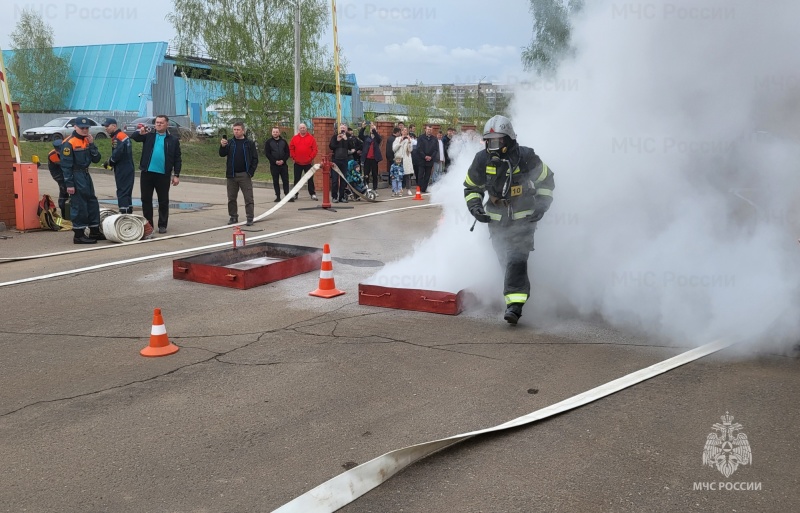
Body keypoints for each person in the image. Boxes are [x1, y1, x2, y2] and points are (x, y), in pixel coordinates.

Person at [463, 115, 555, 325]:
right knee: (505, 260)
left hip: (523, 219)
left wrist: (542, 205)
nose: (491, 146)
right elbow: (471, 187)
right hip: (496, 220)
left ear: (508, 140)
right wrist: (475, 207)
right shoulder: (481, 160)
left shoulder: (526, 157)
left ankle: (514, 305)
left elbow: (546, 181)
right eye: (488, 141)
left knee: (516, 258)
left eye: (496, 142)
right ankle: (517, 290)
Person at [131, 114, 182, 234]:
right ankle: (149, 225)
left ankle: (162, 225)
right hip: (147, 173)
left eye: (161, 122)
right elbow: (135, 137)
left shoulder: (173, 140)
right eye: (157, 122)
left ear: (167, 124)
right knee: (146, 199)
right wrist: (140, 132)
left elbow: (177, 158)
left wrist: (176, 175)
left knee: (163, 200)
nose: (158, 124)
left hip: (163, 174)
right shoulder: (149, 136)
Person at [60, 117, 103, 244]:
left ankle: (94, 230)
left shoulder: (87, 140)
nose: (85, 130)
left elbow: (96, 159)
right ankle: (79, 235)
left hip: (85, 174)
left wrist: (92, 144)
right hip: (75, 175)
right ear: (75, 127)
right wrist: (69, 184)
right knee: (79, 205)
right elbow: (66, 166)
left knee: (92, 202)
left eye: (87, 128)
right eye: (82, 128)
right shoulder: (69, 143)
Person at [220, 121, 258, 225]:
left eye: (238, 130)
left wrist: (250, 172)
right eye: (234, 130)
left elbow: (255, 159)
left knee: (248, 198)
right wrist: (222, 146)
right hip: (231, 175)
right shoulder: (230, 142)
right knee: (231, 198)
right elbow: (222, 154)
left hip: (244, 175)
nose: (236, 132)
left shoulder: (249, 143)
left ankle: (250, 218)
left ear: (243, 131)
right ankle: (233, 217)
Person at [101, 118, 135, 214]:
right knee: (127, 192)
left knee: (122, 191)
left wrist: (110, 162)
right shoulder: (123, 136)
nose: (106, 129)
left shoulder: (118, 137)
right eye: (105, 126)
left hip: (123, 167)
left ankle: (124, 214)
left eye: (107, 126)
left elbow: (117, 153)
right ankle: (128, 212)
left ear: (114, 126)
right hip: (128, 166)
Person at [289, 123, 318, 200]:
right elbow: (291, 148)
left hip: (308, 163)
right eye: (301, 128)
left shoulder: (311, 138)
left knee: (310, 179)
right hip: (297, 163)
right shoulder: (294, 138)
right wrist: (294, 157)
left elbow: (315, 150)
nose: (302, 129)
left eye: (304, 128)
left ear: (306, 128)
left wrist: (310, 158)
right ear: (299, 129)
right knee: (296, 179)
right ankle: (295, 194)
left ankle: (312, 194)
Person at [264, 127, 292, 202]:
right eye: (274, 132)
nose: (275, 133)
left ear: (279, 133)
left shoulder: (284, 142)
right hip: (274, 165)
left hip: (283, 165)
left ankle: (287, 195)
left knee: (285, 180)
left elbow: (287, 153)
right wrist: (275, 161)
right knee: (275, 181)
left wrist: (283, 160)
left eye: (276, 132)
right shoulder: (268, 142)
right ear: (272, 133)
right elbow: (267, 154)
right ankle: (278, 196)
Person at [329, 123, 353, 203]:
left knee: (343, 179)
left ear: (346, 129)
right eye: (341, 128)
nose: (343, 129)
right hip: (336, 160)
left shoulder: (348, 138)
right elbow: (331, 146)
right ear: (339, 129)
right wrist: (337, 140)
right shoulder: (334, 137)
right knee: (335, 180)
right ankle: (334, 196)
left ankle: (341, 197)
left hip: (344, 161)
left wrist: (346, 139)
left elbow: (352, 147)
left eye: (344, 128)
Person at [47, 137, 69, 218]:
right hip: (58, 175)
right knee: (64, 190)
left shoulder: (67, 150)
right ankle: (64, 211)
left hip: (67, 172)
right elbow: (64, 166)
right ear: (56, 151)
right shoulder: (52, 156)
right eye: (60, 152)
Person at [359, 121, 383, 192]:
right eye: (371, 129)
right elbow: (360, 135)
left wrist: (374, 130)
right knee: (366, 174)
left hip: (374, 159)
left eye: (373, 129)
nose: (372, 129)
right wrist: (363, 127)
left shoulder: (377, 138)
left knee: (374, 174)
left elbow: (379, 139)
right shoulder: (366, 138)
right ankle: (366, 187)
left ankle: (375, 188)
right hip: (367, 159)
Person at [415, 124, 439, 193]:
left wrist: (431, 157)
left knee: (427, 176)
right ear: (425, 130)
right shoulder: (421, 138)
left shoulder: (434, 139)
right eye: (428, 129)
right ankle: (419, 188)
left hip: (430, 160)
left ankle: (424, 189)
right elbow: (419, 148)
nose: (429, 131)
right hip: (421, 159)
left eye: (431, 130)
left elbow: (436, 150)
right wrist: (424, 156)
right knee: (420, 175)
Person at [392, 127, 415, 196]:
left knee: (407, 175)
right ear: (401, 132)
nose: (405, 131)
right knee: (398, 175)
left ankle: (408, 189)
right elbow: (394, 149)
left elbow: (410, 150)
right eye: (403, 130)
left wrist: (409, 142)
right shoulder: (397, 139)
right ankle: (398, 189)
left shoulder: (409, 139)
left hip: (406, 159)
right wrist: (400, 142)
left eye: (406, 130)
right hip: (399, 159)